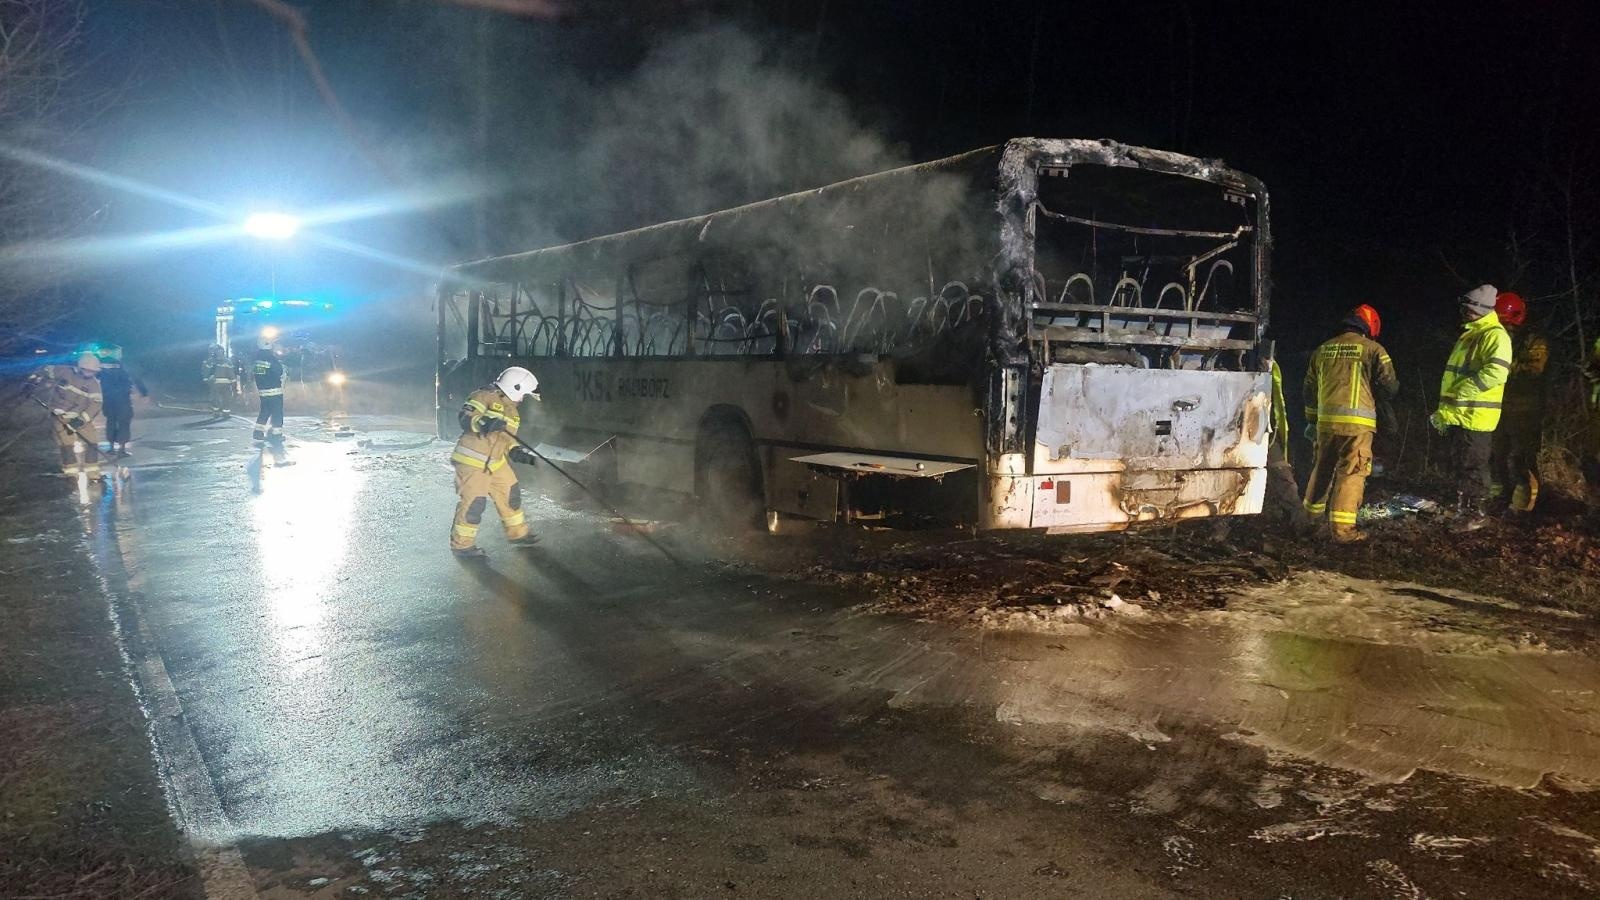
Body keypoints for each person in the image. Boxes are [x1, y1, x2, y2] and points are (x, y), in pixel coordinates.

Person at [1301, 304, 1398, 543]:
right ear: (1370, 326)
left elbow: (1309, 390)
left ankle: (1309, 522)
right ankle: (1343, 532)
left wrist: (1312, 420)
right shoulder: (1374, 350)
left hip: (1325, 425)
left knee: (1321, 469)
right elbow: (1390, 386)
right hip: (1358, 426)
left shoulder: (1322, 350)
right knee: (1352, 473)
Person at [1430, 284, 1513, 532]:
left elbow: (1497, 372)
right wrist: (1444, 412)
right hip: (1461, 414)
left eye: (1468, 309)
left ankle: (1474, 514)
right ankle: (1464, 511)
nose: (1464, 313)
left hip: (1476, 415)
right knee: (1463, 463)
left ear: (1481, 309)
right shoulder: (1472, 334)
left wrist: (1465, 390)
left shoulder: (1495, 335)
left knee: (1473, 465)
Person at [449, 366, 541, 558]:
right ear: (514, 387)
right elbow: (465, 418)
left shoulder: (513, 413)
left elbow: (507, 439)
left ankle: (518, 534)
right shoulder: (483, 396)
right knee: (475, 503)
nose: (523, 399)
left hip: (496, 462)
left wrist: (516, 451)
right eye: (523, 394)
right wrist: (483, 422)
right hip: (472, 461)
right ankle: (462, 546)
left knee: (510, 494)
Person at [1488, 292, 1547, 515]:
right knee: (1497, 455)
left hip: (1526, 411)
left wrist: (1502, 367)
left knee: (1520, 458)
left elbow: (1534, 369)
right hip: (1499, 407)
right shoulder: (1496, 337)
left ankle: (1524, 509)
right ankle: (1499, 499)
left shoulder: (1534, 340)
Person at [25, 352, 105, 481]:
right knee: (66, 444)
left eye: (93, 371)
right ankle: (71, 473)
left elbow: (95, 405)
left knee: (92, 441)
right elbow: (44, 369)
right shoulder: (63, 371)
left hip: (80, 417)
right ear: (80, 367)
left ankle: (92, 472)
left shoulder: (94, 384)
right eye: (88, 370)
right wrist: (33, 381)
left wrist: (80, 421)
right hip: (60, 415)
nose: (90, 373)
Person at [1262, 358, 1312, 534]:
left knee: (1283, 474)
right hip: (1258, 429)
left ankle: (1299, 519)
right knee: (1283, 475)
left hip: (1266, 430)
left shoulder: (1274, 365)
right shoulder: (1272, 364)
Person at [96, 343, 148, 458]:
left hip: (107, 399)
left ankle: (111, 447)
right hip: (122, 399)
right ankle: (122, 449)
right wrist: (144, 393)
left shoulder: (100, 363)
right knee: (124, 423)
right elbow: (136, 378)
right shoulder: (125, 364)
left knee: (111, 421)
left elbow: (95, 377)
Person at [251, 334, 285, 444]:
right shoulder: (270, 358)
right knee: (277, 413)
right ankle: (276, 435)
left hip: (263, 391)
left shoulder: (258, 359)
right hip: (274, 390)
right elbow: (278, 371)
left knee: (265, 411)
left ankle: (258, 432)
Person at [203, 345, 238, 416]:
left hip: (221, 383)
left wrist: (233, 382)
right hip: (218, 383)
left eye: (220, 352)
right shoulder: (213, 361)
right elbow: (206, 371)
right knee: (218, 397)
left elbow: (230, 372)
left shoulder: (225, 361)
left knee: (223, 397)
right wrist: (207, 379)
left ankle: (222, 411)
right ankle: (220, 411)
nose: (219, 353)